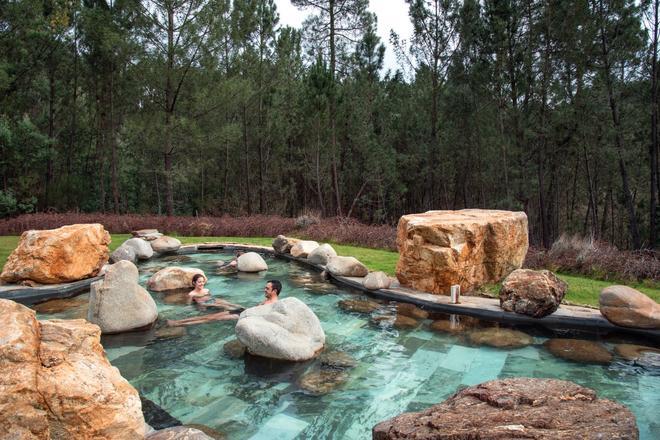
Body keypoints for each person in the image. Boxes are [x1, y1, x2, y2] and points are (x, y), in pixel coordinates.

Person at [167, 279, 282, 327]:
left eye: (267, 288)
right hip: (243, 311)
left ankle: (178, 323)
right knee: (208, 316)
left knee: (210, 318)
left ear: (274, 291)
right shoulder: (268, 300)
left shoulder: (272, 305)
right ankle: (178, 322)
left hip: (242, 316)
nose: (264, 290)